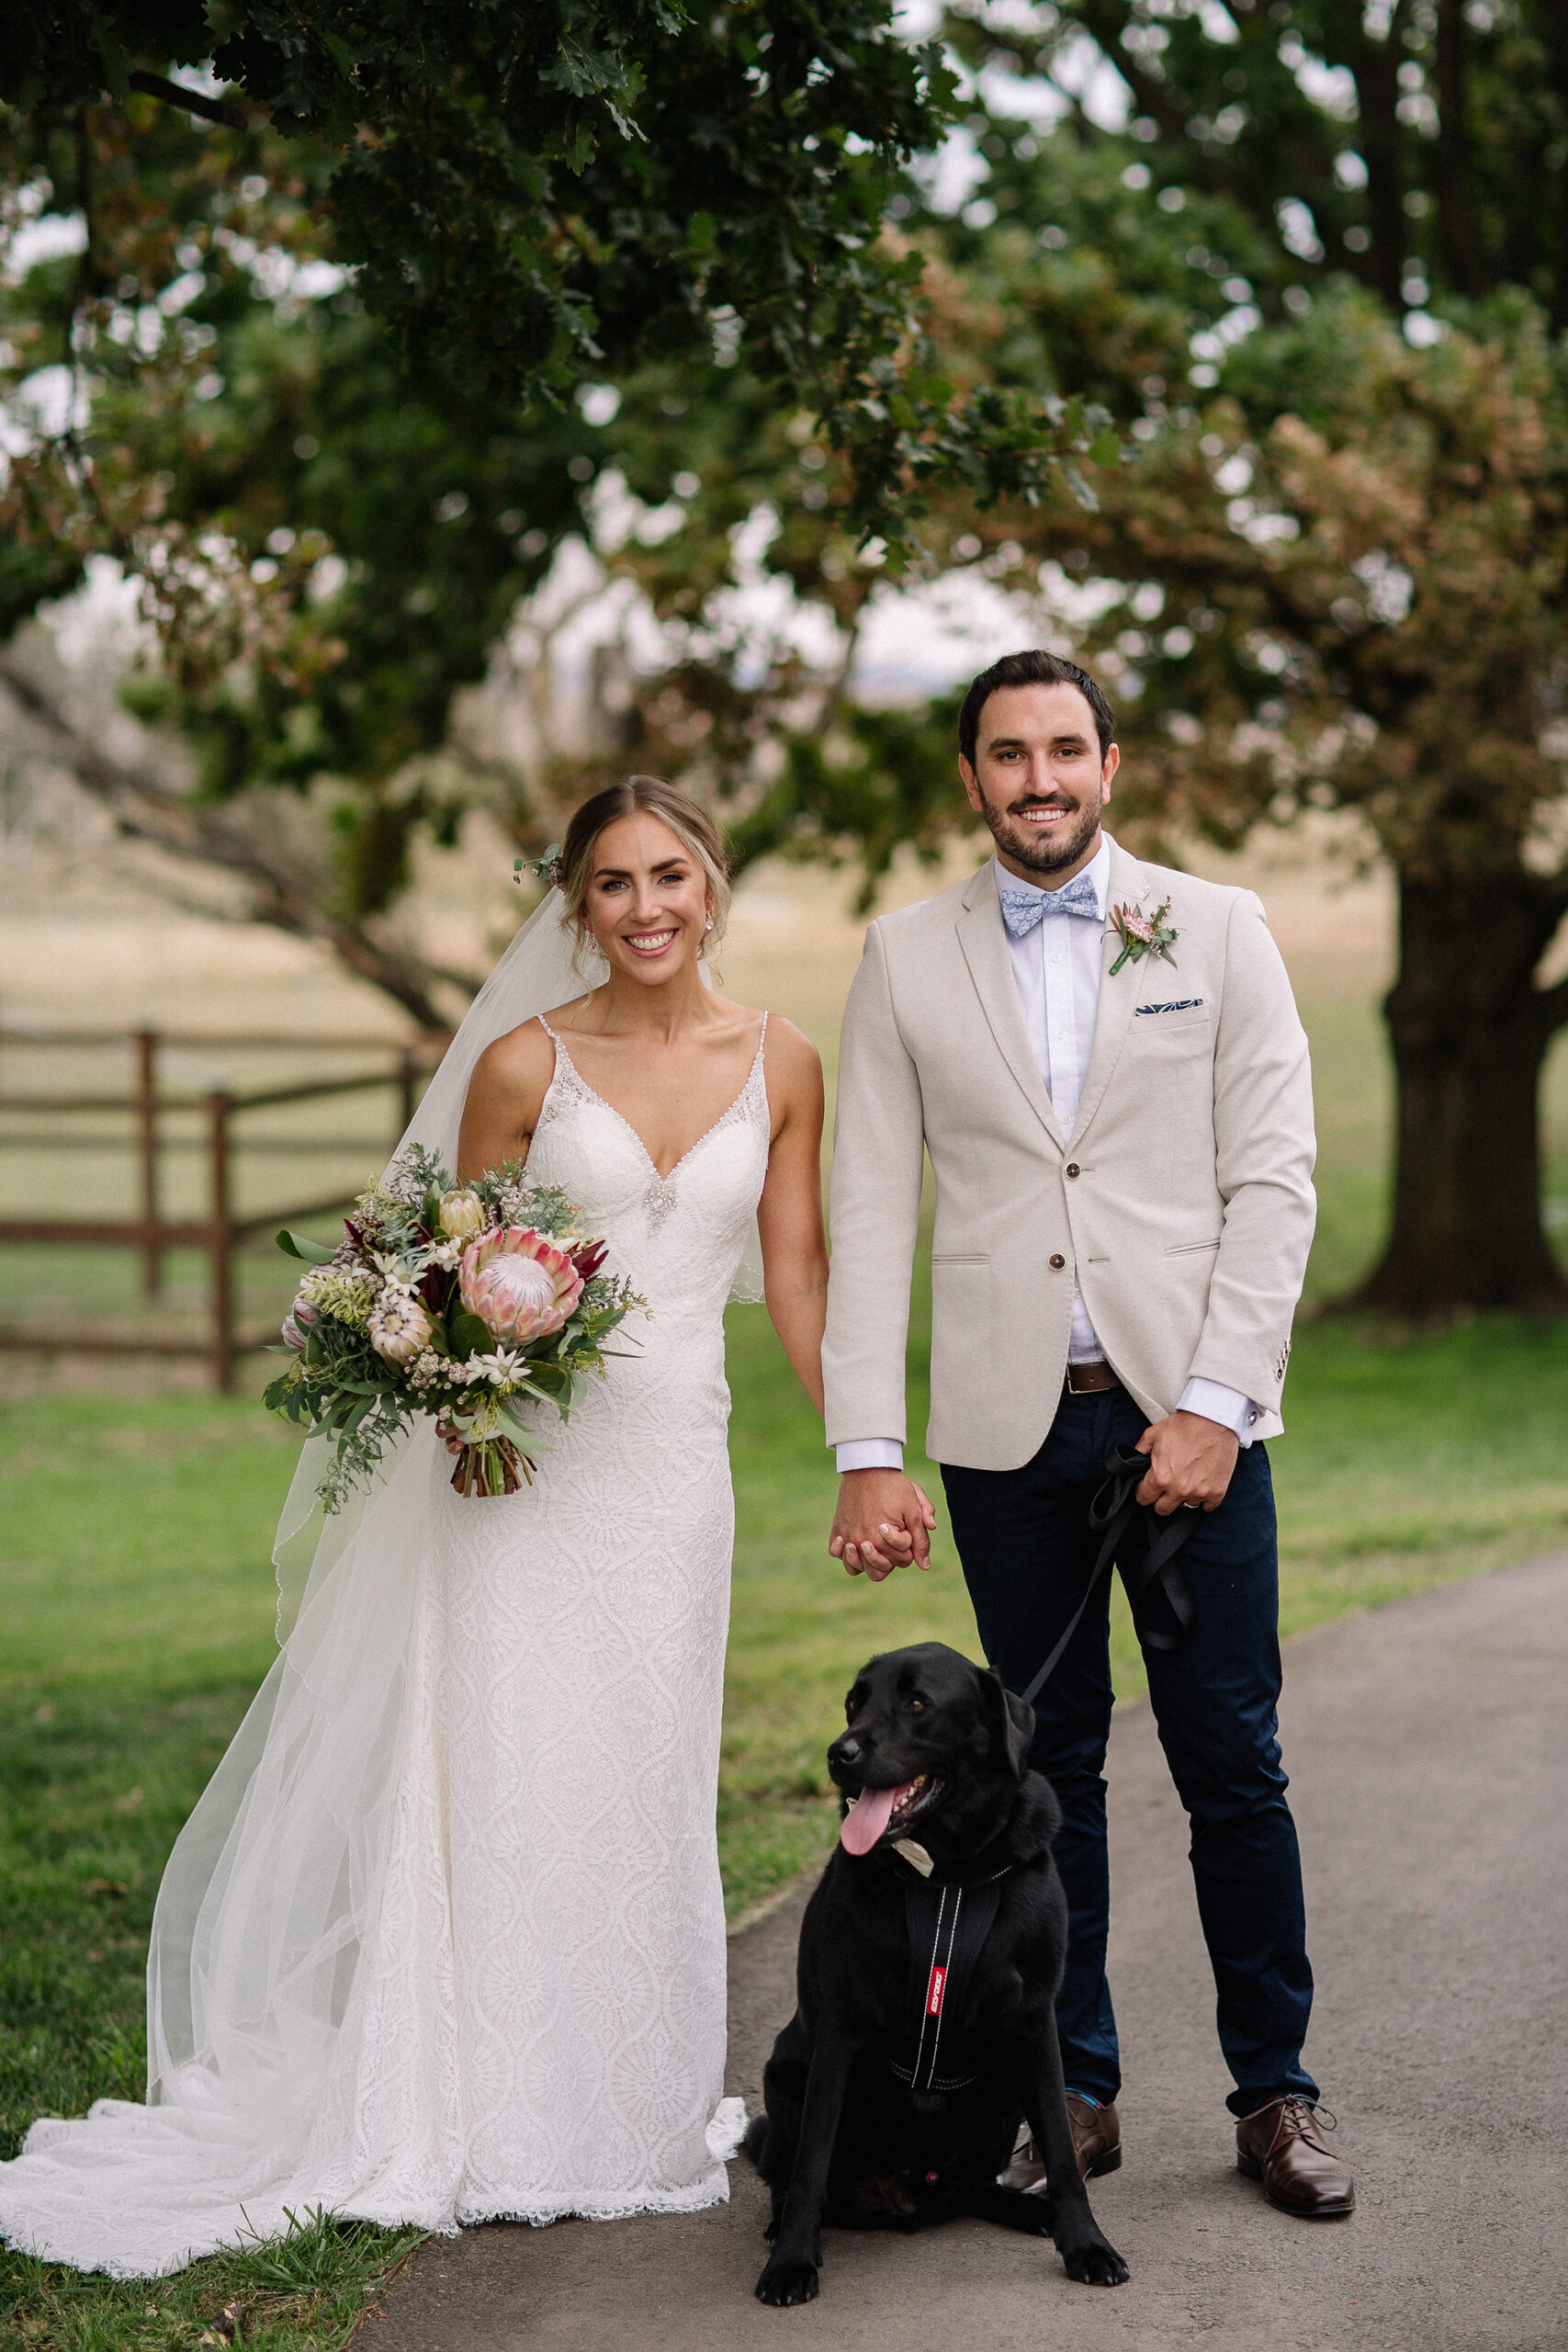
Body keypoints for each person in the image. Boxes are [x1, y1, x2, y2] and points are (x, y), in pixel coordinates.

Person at [0, 776, 833, 2277]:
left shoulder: (785, 1062)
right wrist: (455, 1392)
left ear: (713, 884)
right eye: (612, 885)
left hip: (672, 1478)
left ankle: (628, 2110)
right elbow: (434, 1259)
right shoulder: (523, 1062)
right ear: (575, 906)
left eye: (670, 876)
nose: (645, 909)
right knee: (505, 1765)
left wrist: (868, 1453)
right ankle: (487, 2110)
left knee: (645, 1768)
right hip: (512, 1475)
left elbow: (799, 1277)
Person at [820, 650, 1355, 2219]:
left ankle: (1277, 2093)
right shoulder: (902, 955)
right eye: (1007, 754)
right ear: (971, 778)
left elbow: (1277, 1177)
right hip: (1006, 1433)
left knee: (1232, 1764)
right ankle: (1079, 2087)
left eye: (1066, 750)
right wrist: (867, 1440)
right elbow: (868, 1211)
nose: (1038, 778)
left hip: (1190, 1425)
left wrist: (1216, 1401)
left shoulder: (1218, 927)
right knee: (1043, 1768)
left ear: (1109, 766)